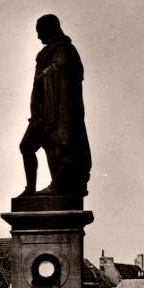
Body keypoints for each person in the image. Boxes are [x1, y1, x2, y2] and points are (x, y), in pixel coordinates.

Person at [19, 14, 92, 197]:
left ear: (50, 29)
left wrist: (43, 75)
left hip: (58, 115)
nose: (38, 37)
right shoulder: (49, 51)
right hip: (41, 114)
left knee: (55, 148)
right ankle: (30, 189)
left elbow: (62, 71)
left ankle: (58, 186)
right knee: (26, 147)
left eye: (40, 32)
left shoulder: (63, 49)